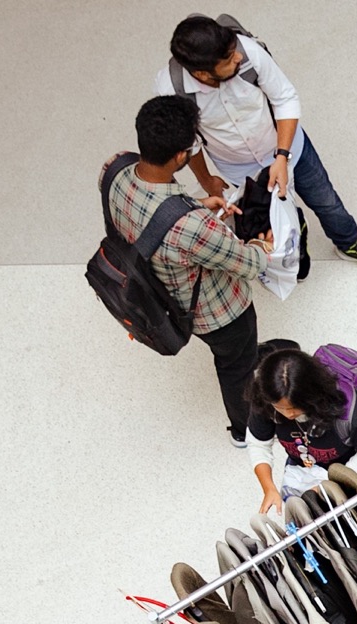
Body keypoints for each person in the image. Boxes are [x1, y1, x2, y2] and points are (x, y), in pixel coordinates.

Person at [159, 14, 357, 278]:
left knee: (326, 202)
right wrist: (207, 180)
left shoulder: (246, 51)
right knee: (266, 221)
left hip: (290, 148)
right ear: (202, 74)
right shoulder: (170, 90)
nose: (237, 57)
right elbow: (188, 143)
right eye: (228, 60)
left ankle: (349, 243)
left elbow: (284, 98)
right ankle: (297, 241)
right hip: (239, 169)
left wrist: (282, 157)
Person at [112, 95, 272, 443]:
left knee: (237, 357)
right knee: (234, 365)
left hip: (159, 289)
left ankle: (247, 367)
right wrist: (264, 244)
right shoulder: (193, 226)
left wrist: (193, 205)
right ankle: (245, 432)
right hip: (218, 314)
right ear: (181, 156)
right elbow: (249, 264)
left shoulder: (114, 171)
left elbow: (145, 213)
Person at [245, 339, 357, 517]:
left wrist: (330, 485)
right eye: (280, 408)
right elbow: (258, 443)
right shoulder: (267, 400)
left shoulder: (351, 411)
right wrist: (269, 488)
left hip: (354, 468)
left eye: (295, 406)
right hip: (304, 467)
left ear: (312, 396)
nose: (288, 414)